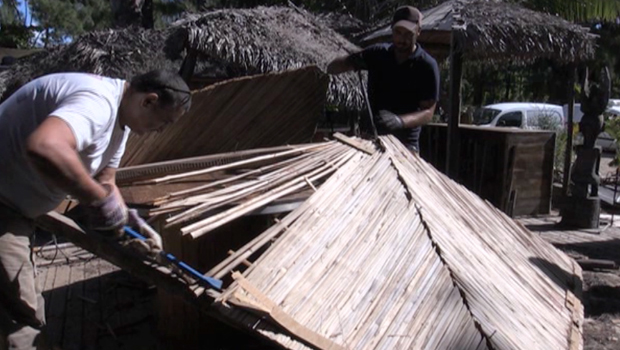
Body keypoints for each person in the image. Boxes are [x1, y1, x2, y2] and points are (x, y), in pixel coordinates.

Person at [0, 69, 192, 350]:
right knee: (24, 318)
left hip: (17, 210)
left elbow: (105, 180)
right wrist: (98, 200)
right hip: (4, 207)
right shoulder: (97, 103)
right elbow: (45, 146)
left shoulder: (121, 122)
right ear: (148, 101)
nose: (161, 130)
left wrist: (130, 220)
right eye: (163, 122)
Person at [327, 6, 440, 152]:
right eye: (398, 33)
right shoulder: (378, 54)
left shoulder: (426, 66)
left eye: (408, 34)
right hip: (370, 140)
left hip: (405, 146)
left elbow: (428, 113)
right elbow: (333, 67)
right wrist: (350, 62)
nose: (402, 39)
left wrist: (399, 121)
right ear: (392, 30)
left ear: (418, 32)